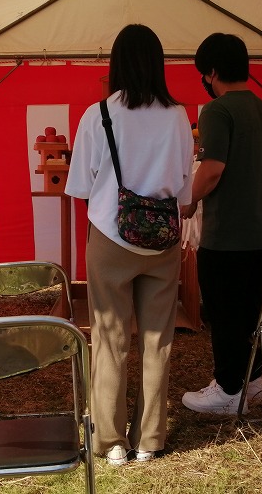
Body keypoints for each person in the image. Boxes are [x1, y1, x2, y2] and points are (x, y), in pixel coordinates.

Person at [65, 24, 194, 465]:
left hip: (110, 235)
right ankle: (149, 440)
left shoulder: (98, 114)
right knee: (157, 339)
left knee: (109, 336)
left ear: (116, 64)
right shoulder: (179, 115)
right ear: (159, 64)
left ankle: (110, 441)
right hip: (163, 238)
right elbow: (183, 185)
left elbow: (80, 185)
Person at [180, 33, 262, 415]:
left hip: (227, 235)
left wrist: (189, 203)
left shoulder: (217, 112)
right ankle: (253, 382)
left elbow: (212, 169)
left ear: (212, 71)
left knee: (223, 313)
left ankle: (227, 389)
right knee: (252, 309)